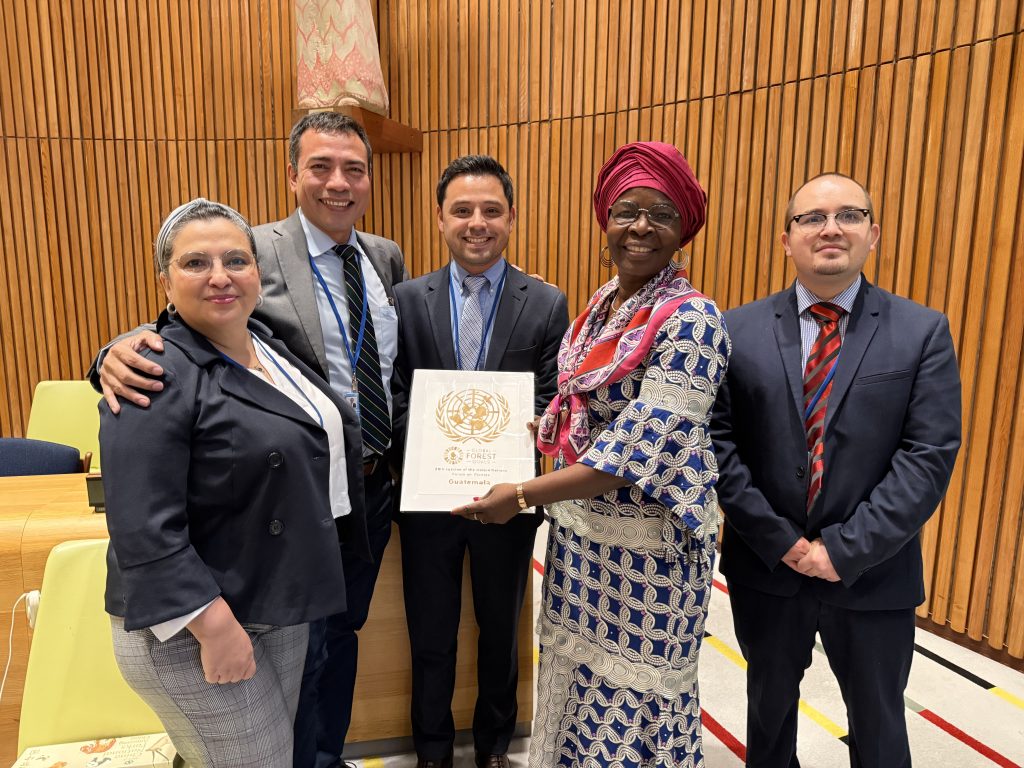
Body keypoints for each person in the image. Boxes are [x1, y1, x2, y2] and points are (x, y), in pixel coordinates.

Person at [92, 113, 408, 768]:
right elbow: (178, 337)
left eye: (354, 169)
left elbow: (384, 371)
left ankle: (323, 757)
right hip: (249, 544)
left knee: (334, 648)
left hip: (353, 499)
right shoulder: (248, 246)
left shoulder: (382, 257)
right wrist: (112, 354)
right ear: (292, 175)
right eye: (320, 166)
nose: (338, 182)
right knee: (259, 736)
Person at [456, 141, 731, 768]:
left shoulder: (692, 321)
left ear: (684, 228)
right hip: (581, 542)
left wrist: (519, 495)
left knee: (636, 696)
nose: (641, 227)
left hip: (649, 558)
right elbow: (586, 407)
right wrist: (537, 427)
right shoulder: (603, 304)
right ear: (606, 218)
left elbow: (631, 452)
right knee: (578, 682)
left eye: (661, 214)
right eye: (627, 211)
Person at [710, 172, 962, 767]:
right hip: (768, 568)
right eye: (812, 218)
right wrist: (783, 542)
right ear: (786, 239)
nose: (831, 229)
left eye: (849, 215)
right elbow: (718, 445)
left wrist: (842, 550)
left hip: (873, 573)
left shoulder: (921, 331)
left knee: (879, 726)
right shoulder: (735, 330)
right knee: (768, 720)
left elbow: (928, 456)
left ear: (873, 234)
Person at [390, 155, 569, 768]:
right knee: (430, 637)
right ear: (440, 218)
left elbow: (554, 397)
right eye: (462, 210)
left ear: (511, 217)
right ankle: (432, 752)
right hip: (427, 504)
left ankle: (494, 748)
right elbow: (393, 392)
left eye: (491, 210)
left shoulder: (544, 302)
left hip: (508, 502)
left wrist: (535, 426)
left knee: (500, 634)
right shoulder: (405, 300)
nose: (477, 223)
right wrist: (431, 444)